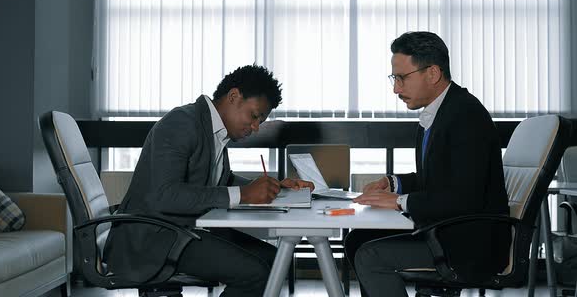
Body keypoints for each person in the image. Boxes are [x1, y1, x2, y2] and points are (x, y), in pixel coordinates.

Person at [103, 64, 314, 297]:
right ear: (234, 96)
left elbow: (220, 181)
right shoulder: (182, 123)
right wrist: (244, 195)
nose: (255, 128)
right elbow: (164, 195)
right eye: (254, 116)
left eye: (260, 122)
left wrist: (275, 187)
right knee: (255, 273)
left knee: (276, 260)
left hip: (183, 229)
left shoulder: (214, 130)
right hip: (154, 238)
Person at [344, 32, 511, 297]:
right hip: (447, 230)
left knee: (369, 255)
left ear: (432, 73)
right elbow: (440, 177)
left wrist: (399, 202)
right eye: (394, 78)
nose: (396, 89)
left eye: (402, 78)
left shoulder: (466, 116)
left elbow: (463, 198)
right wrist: (393, 183)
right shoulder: (441, 111)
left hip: (468, 244)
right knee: (357, 239)